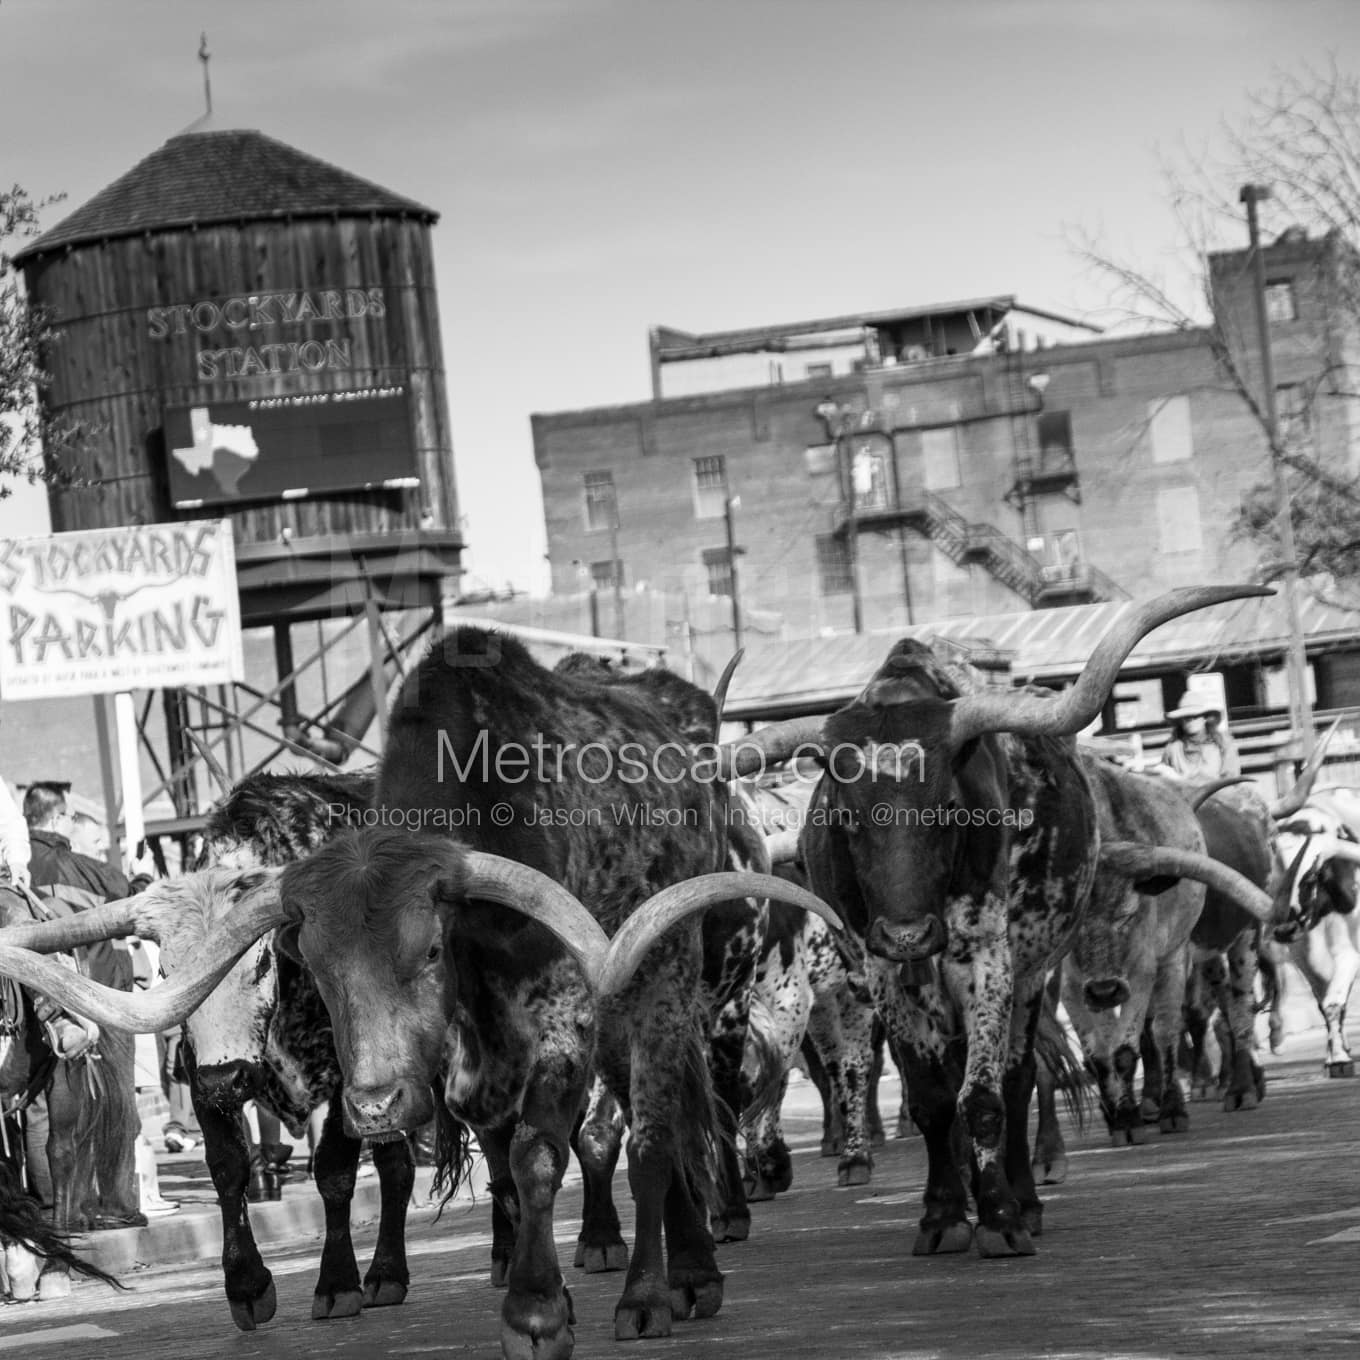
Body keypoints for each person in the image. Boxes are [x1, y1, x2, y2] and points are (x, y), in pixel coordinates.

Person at [21, 782, 157, 1229]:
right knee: (116, 1104)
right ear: (60, 821)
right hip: (101, 999)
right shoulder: (78, 867)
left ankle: (66, 1212)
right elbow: (137, 900)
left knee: (57, 1113)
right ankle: (117, 1205)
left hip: (37, 1006)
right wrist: (142, 873)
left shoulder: (17, 872)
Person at [1159, 693, 1240, 781]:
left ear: (1204, 718)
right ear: (1180, 721)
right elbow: (1164, 782)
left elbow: (1231, 778)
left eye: (1195, 716)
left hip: (1219, 793)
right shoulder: (1173, 749)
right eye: (1186, 717)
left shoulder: (1222, 743)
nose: (1191, 720)